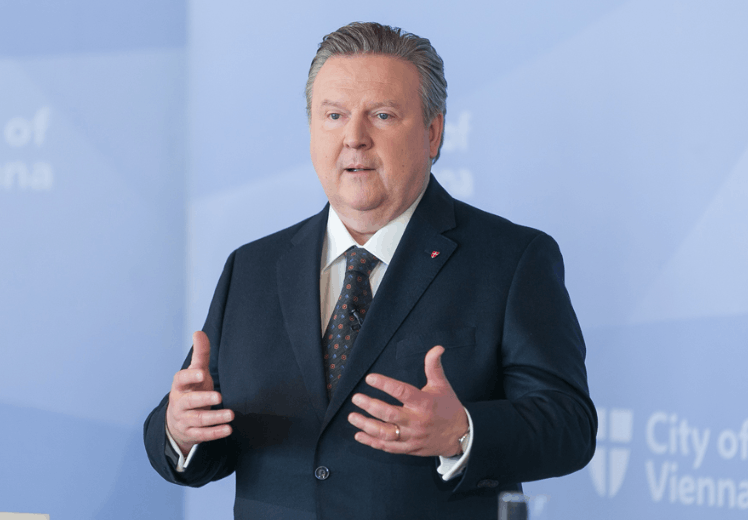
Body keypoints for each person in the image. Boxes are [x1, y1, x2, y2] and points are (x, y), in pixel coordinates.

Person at [144, 22, 597, 519]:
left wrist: (461, 432)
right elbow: (201, 431)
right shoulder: (251, 268)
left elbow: (569, 425)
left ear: (432, 132)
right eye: (334, 115)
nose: (354, 138)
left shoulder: (511, 258)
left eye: (382, 115)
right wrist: (180, 430)